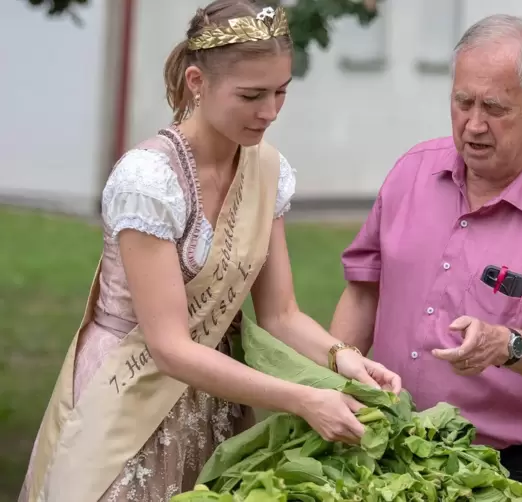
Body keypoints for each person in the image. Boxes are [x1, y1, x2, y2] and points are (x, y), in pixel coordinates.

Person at [18, 2, 401, 501]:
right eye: (251, 95)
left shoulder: (267, 171)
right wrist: (306, 399)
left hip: (217, 397)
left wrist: (343, 359)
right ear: (197, 82)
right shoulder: (149, 181)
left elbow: (281, 314)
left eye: (281, 92)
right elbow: (170, 347)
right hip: (128, 394)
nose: (269, 111)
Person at [330, 13, 522, 495]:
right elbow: (363, 290)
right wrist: (333, 379)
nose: (474, 125)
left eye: (495, 108)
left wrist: (507, 345)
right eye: (462, 102)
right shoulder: (411, 173)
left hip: (519, 467)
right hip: (395, 445)